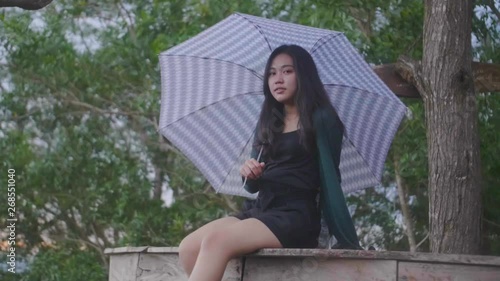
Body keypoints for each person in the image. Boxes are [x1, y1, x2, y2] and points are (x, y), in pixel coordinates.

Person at [178, 44, 361, 281]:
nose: (278, 79)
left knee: (217, 242)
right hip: (262, 209)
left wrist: (346, 237)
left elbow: (330, 178)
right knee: (188, 247)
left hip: (295, 215)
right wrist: (249, 172)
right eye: (272, 73)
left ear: (303, 75)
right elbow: (251, 186)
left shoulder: (322, 118)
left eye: (287, 71)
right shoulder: (268, 119)